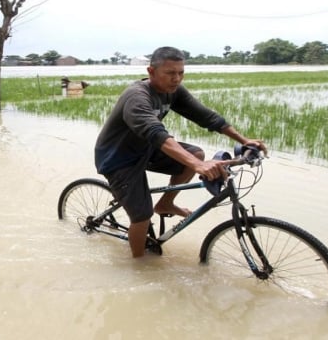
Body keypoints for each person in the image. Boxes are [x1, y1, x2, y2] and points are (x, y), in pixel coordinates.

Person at [94, 46, 268, 258]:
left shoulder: (173, 91)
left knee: (196, 154)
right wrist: (198, 167)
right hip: (119, 158)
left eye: (180, 73)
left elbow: (207, 117)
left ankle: (166, 203)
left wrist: (244, 140)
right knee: (142, 217)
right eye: (170, 73)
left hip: (146, 149)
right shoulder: (137, 97)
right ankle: (140, 264)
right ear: (151, 71)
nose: (176, 79)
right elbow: (156, 133)